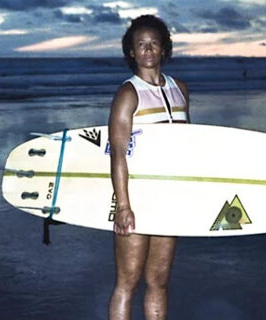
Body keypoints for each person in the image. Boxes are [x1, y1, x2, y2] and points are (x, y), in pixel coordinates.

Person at [107, 15, 189, 320]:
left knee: (159, 281)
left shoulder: (180, 89)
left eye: (154, 43)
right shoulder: (128, 94)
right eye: (140, 44)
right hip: (137, 198)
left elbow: (186, 146)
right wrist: (123, 205)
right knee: (127, 282)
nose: (148, 49)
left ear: (164, 48)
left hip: (169, 198)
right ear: (131, 51)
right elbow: (117, 154)